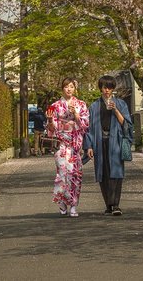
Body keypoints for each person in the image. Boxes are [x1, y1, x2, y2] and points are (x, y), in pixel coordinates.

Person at [83, 75, 133, 216]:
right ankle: (108, 205)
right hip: (99, 142)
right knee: (103, 173)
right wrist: (89, 146)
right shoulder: (94, 106)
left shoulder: (121, 103)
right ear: (101, 88)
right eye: (105, 87)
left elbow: (127, 125)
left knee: (116, 172)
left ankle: (116, 204)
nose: (107, 91)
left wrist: (116, 110)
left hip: (115, 142)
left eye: (110, 88)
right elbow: (89, 128)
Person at [46, 77, 89, 217]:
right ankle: (63, 202)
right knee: (62, 174)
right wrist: (49, 120)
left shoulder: (81, 104)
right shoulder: (55, 106)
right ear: (62, 89)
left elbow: (85, 125)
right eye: (66, 86)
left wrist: (76, 115)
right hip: (62, 145)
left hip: (75, 145)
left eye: (71, 86)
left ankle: (74, 205)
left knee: (75, 175)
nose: (69, 89)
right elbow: (51, 129)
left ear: (75, 89)